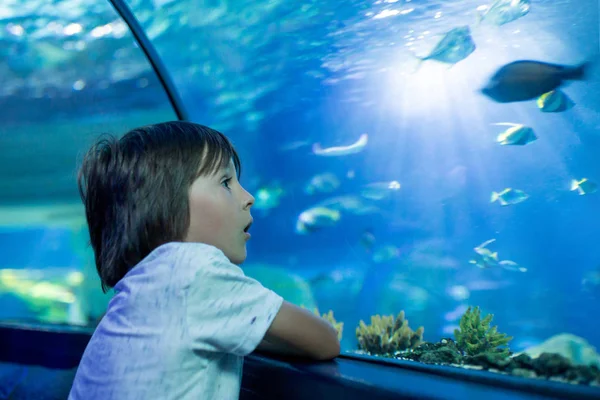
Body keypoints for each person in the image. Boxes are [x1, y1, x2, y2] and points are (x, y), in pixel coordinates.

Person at [68, 121, 340, 400]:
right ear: (167, 207)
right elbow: (325, 341)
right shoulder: (193, 269)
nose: (248, 198)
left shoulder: (138, 290)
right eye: (226, 182)